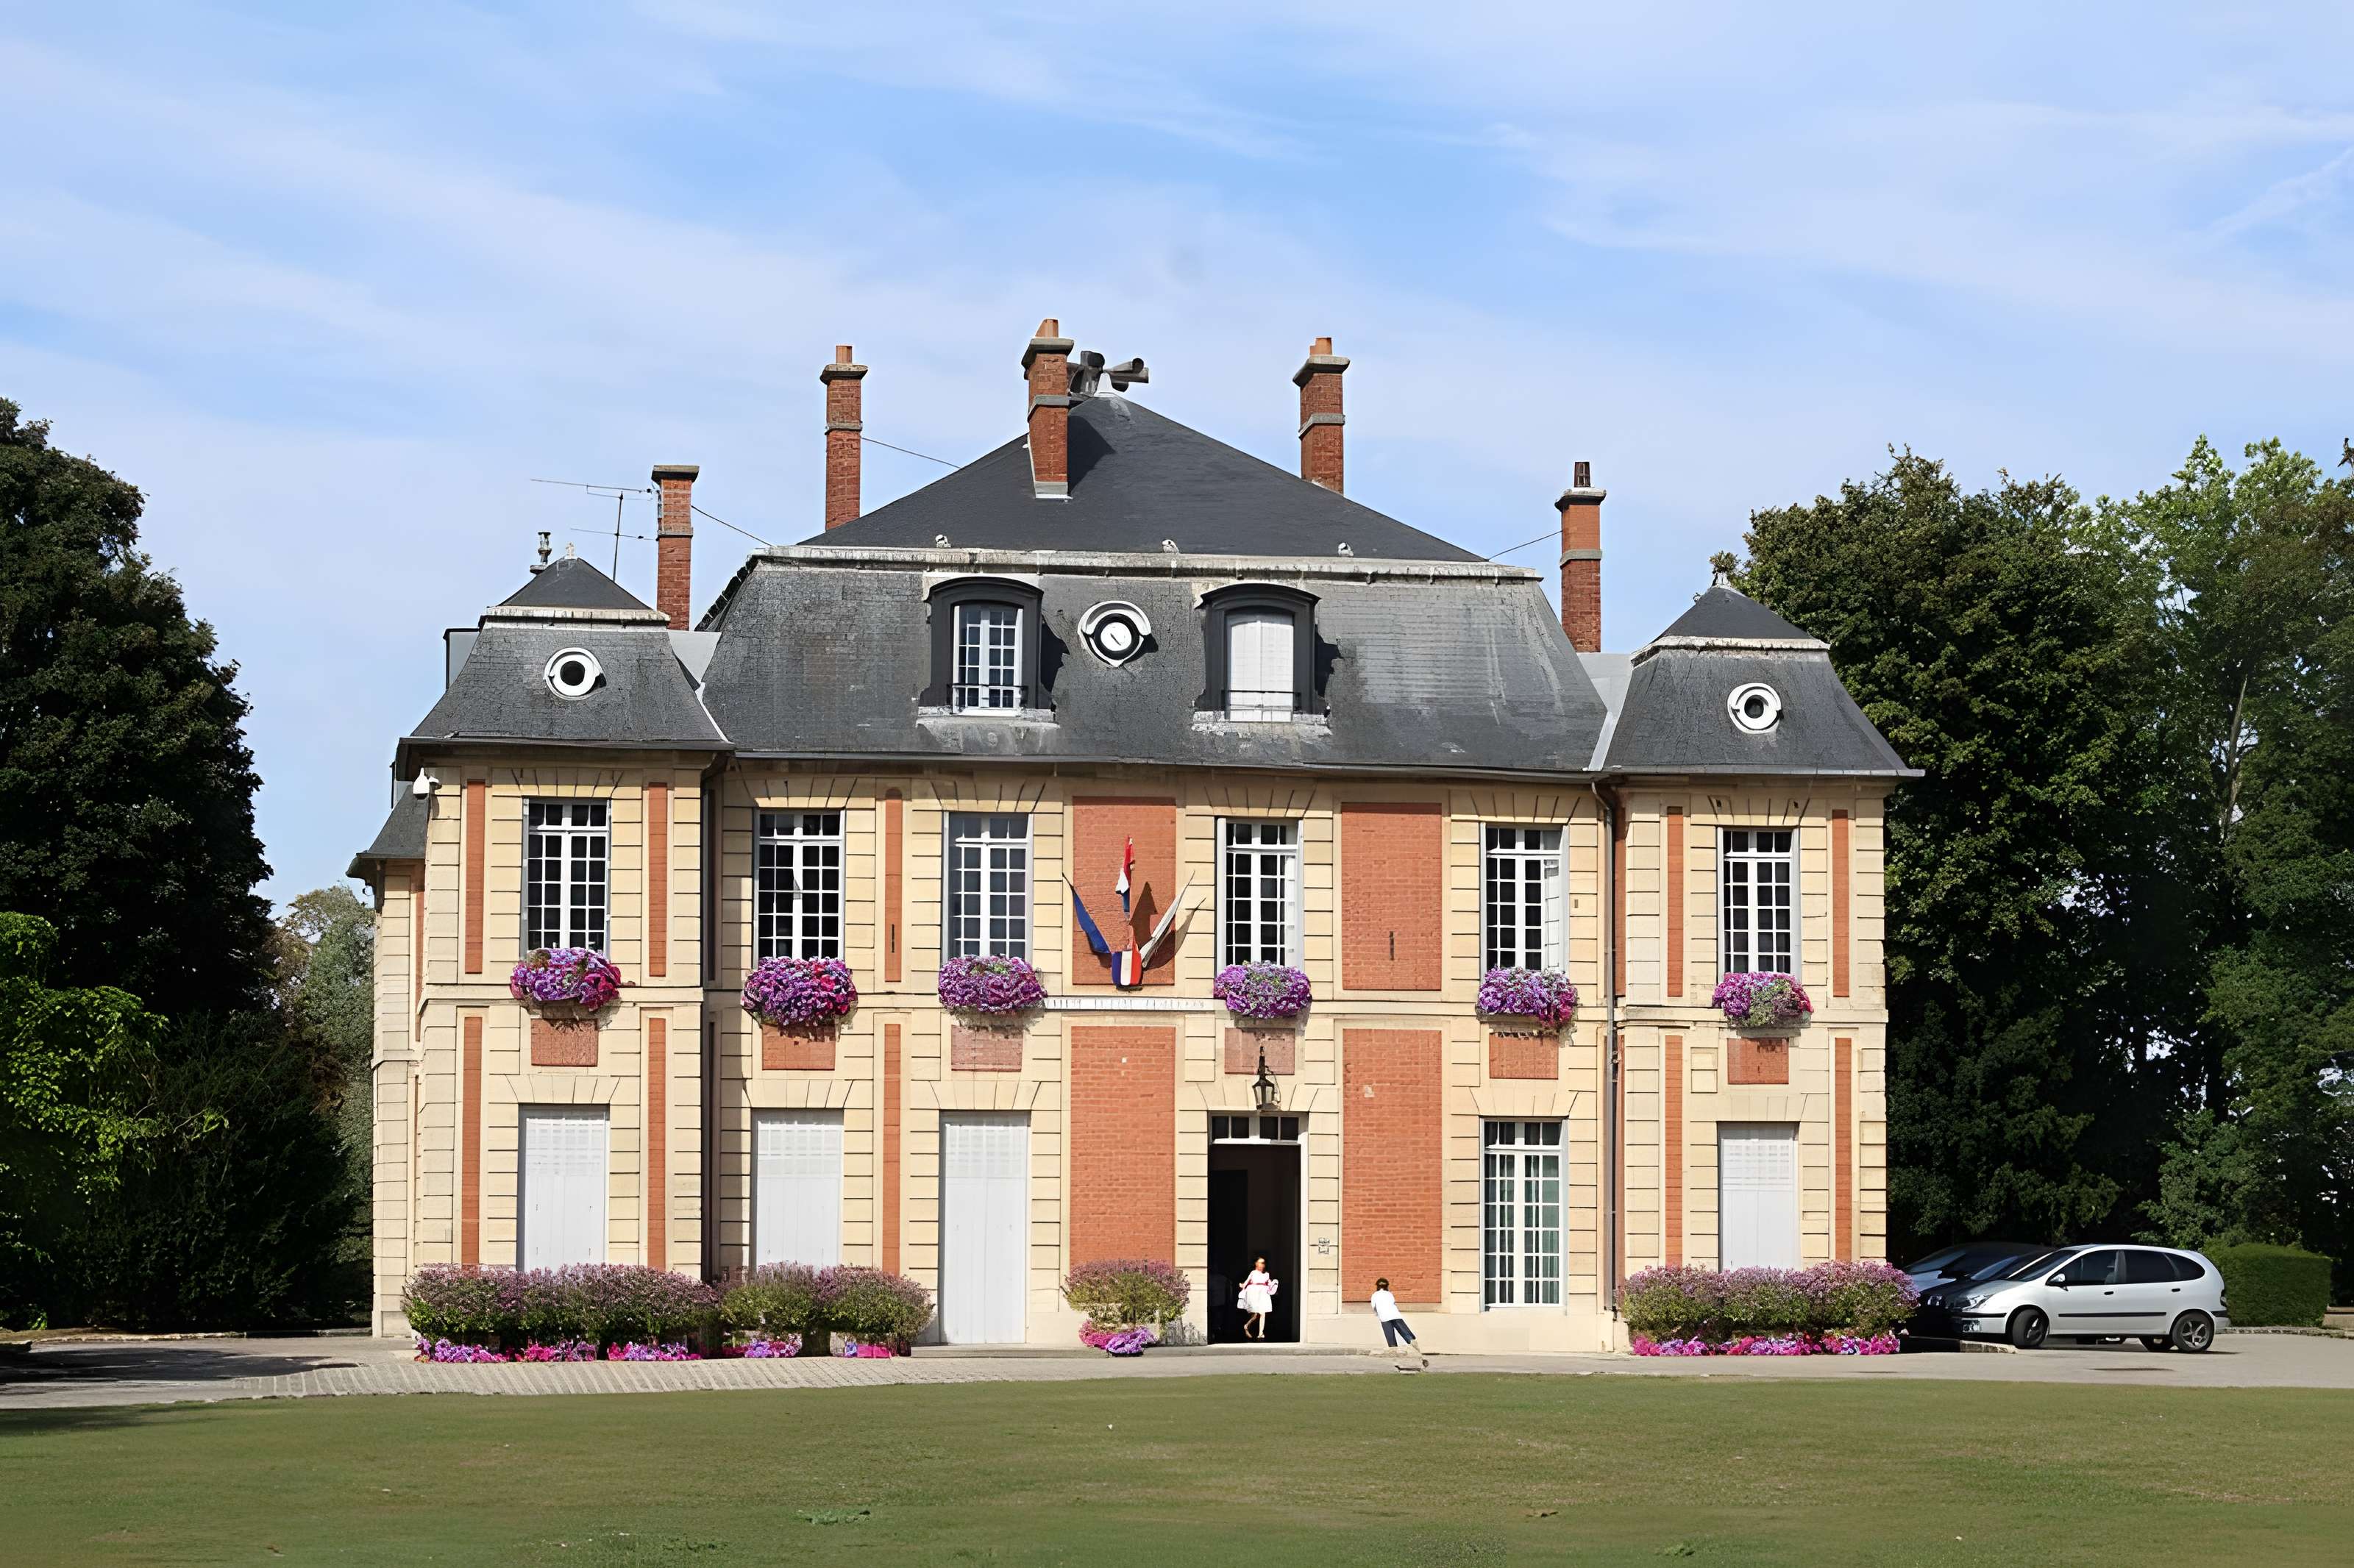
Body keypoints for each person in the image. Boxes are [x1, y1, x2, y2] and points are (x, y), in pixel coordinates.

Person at [1370, 1277, 1426, 1366]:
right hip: (1396, 1315)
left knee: (1390, 1337)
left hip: (1384, 1318)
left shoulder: (1375, 1295)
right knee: (1406, 1334)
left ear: (1377, 1286)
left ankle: (1395, 1355)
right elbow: (1393, 1303)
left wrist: (1378, 1313)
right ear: (1387, 1286)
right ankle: (1415, 1348)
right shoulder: (1389, 1294)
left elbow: (1374, 1307)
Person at [1237, 1256, 1278, 1339]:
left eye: (1263, 1263)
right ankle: (1247, 1325)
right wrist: (1242, 1287)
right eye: (1260, 1262)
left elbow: (1269, 1283)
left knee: (1262, 1313)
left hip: (1263, 1294)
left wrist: (1273, 1286)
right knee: (1255, 1314)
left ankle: (1260, 1333)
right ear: (1256, 1264)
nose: (1261, 1264)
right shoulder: (1253, 1273)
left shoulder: (1267, 1274)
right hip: (1253, 1294)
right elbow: (1246, 1282)